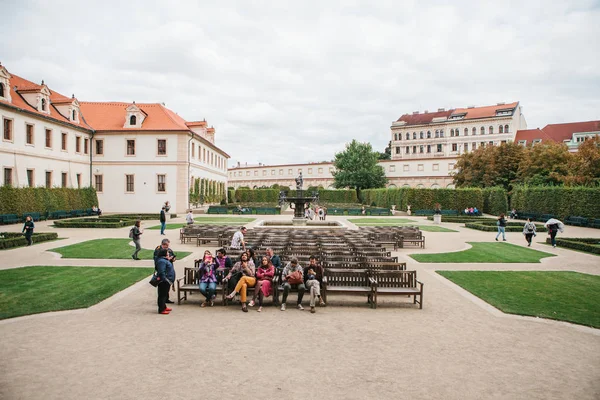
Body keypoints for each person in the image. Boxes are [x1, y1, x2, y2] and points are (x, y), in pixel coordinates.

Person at [154, 238, 177, 303]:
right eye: (166, 245)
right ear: (163, 244)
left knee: (167, 285)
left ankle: (166, 298)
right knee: (162, 285)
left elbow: (173, 256)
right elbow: (157, 259)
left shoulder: (168, 250)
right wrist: (167, 259)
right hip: (163, 268)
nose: (168, 247)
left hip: (168, 267)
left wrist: (173, 259)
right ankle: (162, 302)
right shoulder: (158, 249)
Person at [155, 248, 175, 314]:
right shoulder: (161, 261)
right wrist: (165, 280)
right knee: (162, 295)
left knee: (164, 294)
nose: (168, 254)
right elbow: (161, 271)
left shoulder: (163, 260)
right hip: (164, 281)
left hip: (167, 280)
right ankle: (161, 309)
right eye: (167, 253)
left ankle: (164, 307)